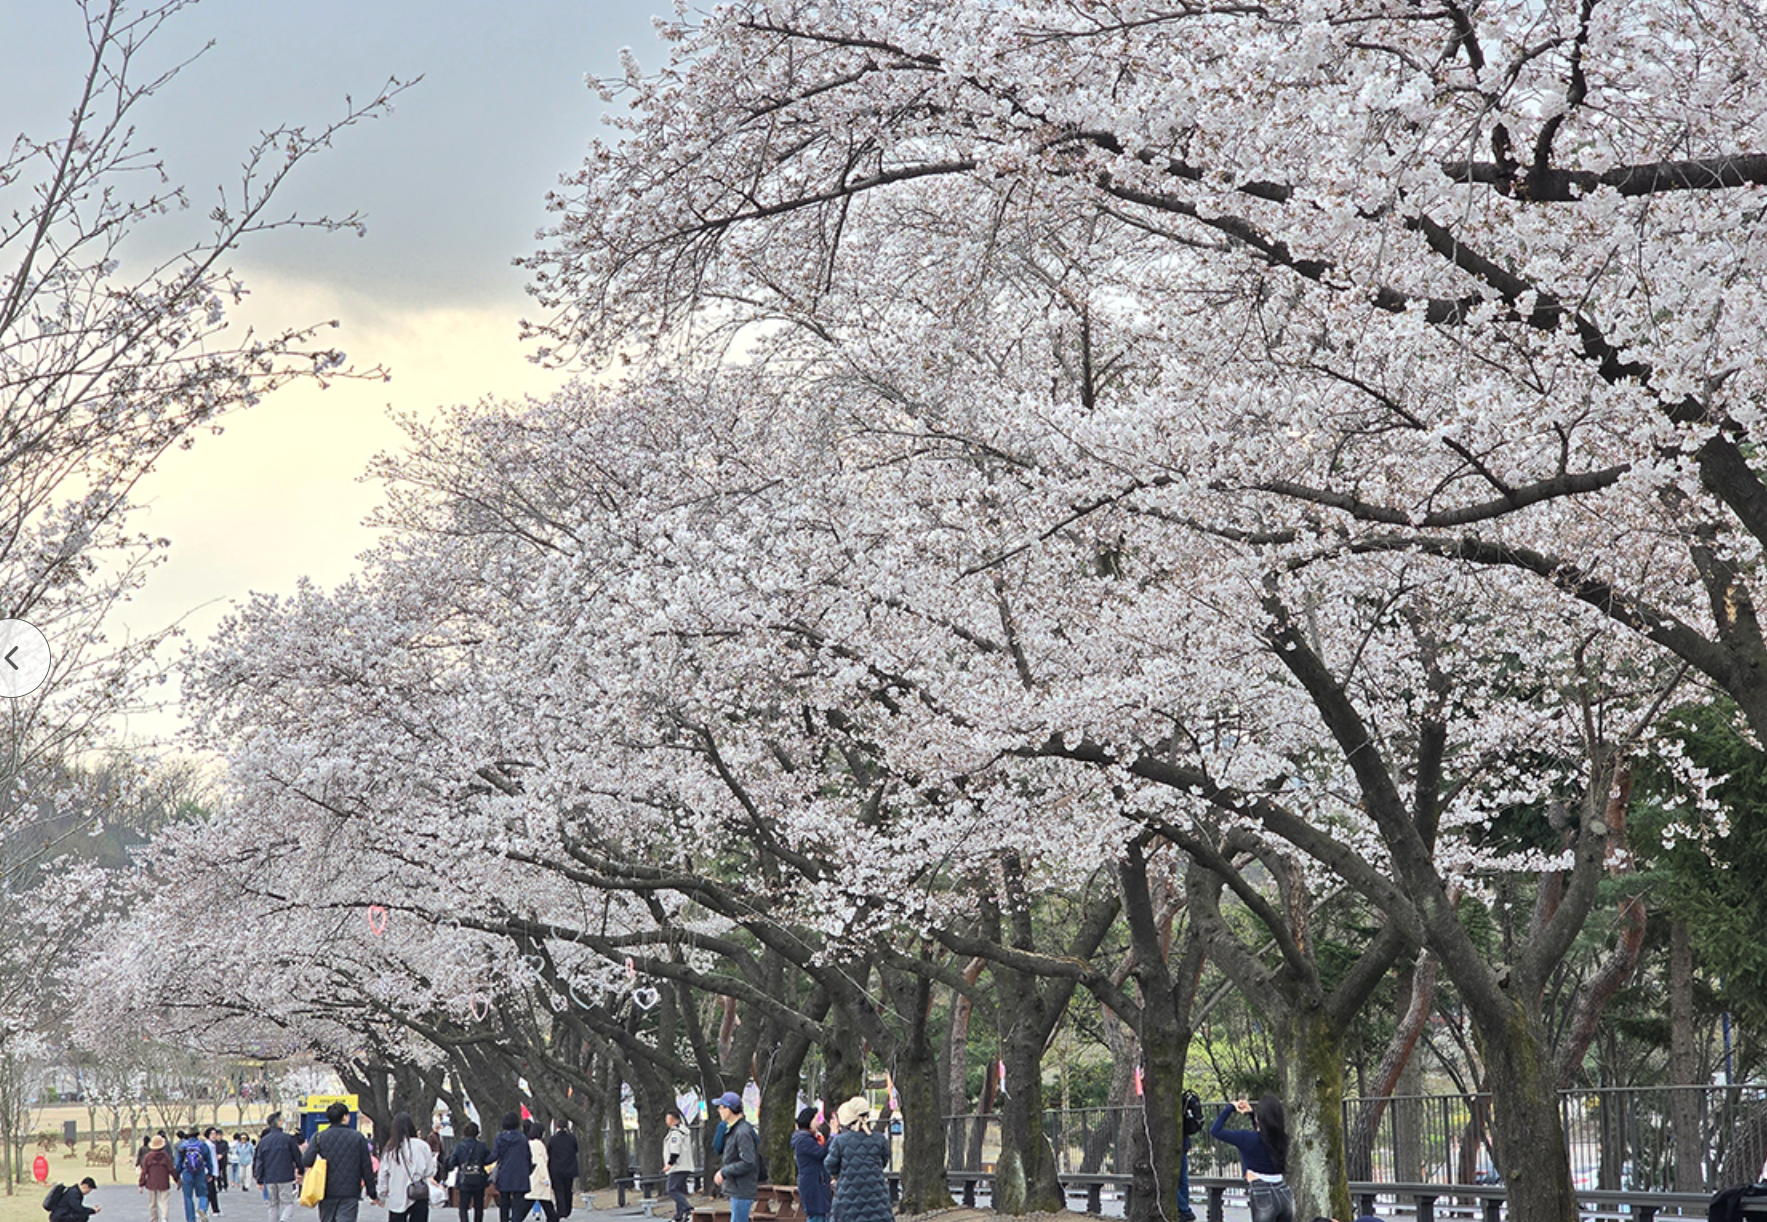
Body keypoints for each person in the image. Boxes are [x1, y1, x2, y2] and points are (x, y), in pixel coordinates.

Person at [1210, 1095, 1293, 1222]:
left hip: (1262, 1190)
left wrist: (1230, 1108)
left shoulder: (1246, 1138)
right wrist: (1252, 1114)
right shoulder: (1283, 1139)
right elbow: (1265, 1136)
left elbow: (1215, 1130)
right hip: (1284, 1191)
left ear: (1259, 1117)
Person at [302, 1101, 382, 1222]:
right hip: (350, 1192)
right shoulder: (357, 1137)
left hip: (325, 1190)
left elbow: (307, 1160)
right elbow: (366, 1167)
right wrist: (372, 1193)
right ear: (344, 1117)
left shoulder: (318, 1137)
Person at [824, 1097, 890, 1222]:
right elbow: (884, 1162)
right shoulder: (879, 1139)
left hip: (848, 1201)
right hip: (877, 1199)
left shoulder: (840, 1141)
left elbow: (830, 1166)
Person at [378, 1111, 439, 1222]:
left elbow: (383, 1174)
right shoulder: (422, 1146)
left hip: (397, 1195)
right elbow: (430, 1171)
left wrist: (381, 1195)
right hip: (419, 1194)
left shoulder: (390, 1149)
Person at [711, 1092, 759, 1222]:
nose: (719, 1110)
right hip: (737, 1187)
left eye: (721, 1107)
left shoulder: (742, 1132)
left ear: (728, 1109)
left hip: (742, 1188)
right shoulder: (734, 1129)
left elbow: (748, 1161)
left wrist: (724, 1171)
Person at [252, 1113, 304, 1222]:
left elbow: (259, 1160)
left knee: (273, 1205)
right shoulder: (288, 1139)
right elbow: (297, 1157)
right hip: (285, 1176)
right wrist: (301, 1169)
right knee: (287, 1203)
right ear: (279, 1122)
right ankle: (284, 1220)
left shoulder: (263, 1141)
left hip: (270, 1177)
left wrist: (259, 1178)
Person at [489, 1111, 532, 1222]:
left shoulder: (500, 1138)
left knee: (504, 1202)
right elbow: (528, 1156)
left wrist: (482, 1160)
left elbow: (495, 1155)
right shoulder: (523, 1139)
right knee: (518, 1204)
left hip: (505, 1173)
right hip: (520, 1173)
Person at [790, 1107, 831, 1222]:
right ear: (809, 1120)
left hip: (817, 1181)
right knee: (816, 1215)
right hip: (813, 1182)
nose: (819, 1122)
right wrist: (832, 1136)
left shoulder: (809, 1137)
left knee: (821, 1214)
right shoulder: (803, 1140)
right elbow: (821, 1153)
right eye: (816, 1119)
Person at [445, 1121, 491, 1222]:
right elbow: (488, 1160)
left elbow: (452, 1163)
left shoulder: (459, 1146)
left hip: (464, 1179)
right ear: (477, 1133)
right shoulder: (482, 1146)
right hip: (479, 1178)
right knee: (479, 1206)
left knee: (463, 1206)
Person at [175, 1129, 218, 1222]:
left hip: (187, 1173)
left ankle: (191, 1219)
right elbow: (209, 1161)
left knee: (188, 1197)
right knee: (203, 1194)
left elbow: (178, 1163)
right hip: (200, 1172)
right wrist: (210, 1173)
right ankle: (202, 1208)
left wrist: (177, 1176)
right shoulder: (202, 1145)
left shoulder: (183, 1146)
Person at [661, 1107, 696, 1222]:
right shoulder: (683, 1131)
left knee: (672, 1189)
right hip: (685, 1166)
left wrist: (669, 1164)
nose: (666, 1121)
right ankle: (679, 1216)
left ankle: (687, 1209)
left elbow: (675, 1149)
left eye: (667, 1118)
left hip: (678, 1166)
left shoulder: (675, 1133)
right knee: (678, 1190)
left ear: (672, 1119)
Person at [547, 1118, 579, 1220]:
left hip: (556, 1169)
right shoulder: (571, 1138)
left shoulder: (553, 1139)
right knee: (568, 1189)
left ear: (557, 1126)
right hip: (569, 1168)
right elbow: (576, 1149)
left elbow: (549, 1152)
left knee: (559, 1191)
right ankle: (568, 1209)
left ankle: (561, 1211)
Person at [140, 1134, 176, 1222]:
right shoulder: (165, 1156)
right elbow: (171, 1169)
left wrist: (141, 1184)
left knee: (152, 1203)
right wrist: (177, 1179)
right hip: (164, 1182)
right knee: (164, 1201)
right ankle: (164, 1218)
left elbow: (144, 1171)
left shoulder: (148, 1157)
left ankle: (154, 1219)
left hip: (151, 1183)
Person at [525, 1120, 555, 1222]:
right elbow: (541, 1162)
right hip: (539, 1178)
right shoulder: (538, 1144)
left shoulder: (528, 1143)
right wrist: (545, 1178)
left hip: (532, 1176)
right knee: (545, 1201)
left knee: (534, 1201)